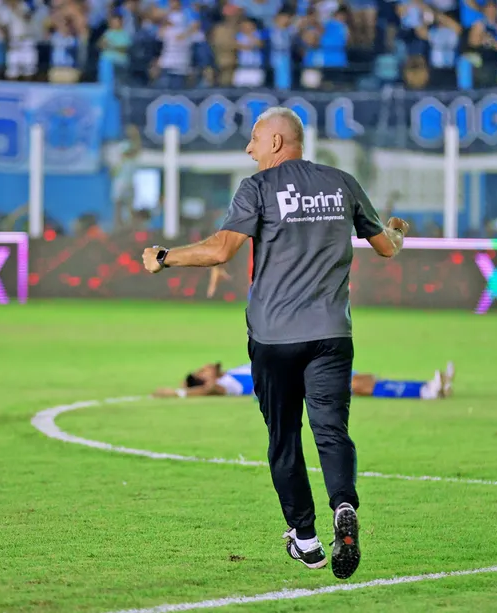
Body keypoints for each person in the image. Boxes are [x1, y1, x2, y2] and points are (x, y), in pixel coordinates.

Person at [142, 107, 409, 580]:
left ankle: (304, 538)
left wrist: (164, 257)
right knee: (331, 431)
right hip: (331, 334)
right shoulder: (342, 182)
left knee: (283, 437)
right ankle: (344, 507)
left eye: (255, 139)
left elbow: (219, 250)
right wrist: (397, 234)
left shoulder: (258, 188)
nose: (249, 148)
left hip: (274, 339)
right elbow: (385, 246)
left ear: (278, 143)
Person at [153, 361, 455, 399]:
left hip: (303, 370)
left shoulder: (231, 372)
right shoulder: (226, 384)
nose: (208, 365)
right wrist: (178, 393)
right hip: (302, 383)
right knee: (359, 385)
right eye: (203, 369)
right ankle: (427, 391)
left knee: (365, 379)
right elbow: (207, 392)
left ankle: (428, 387)